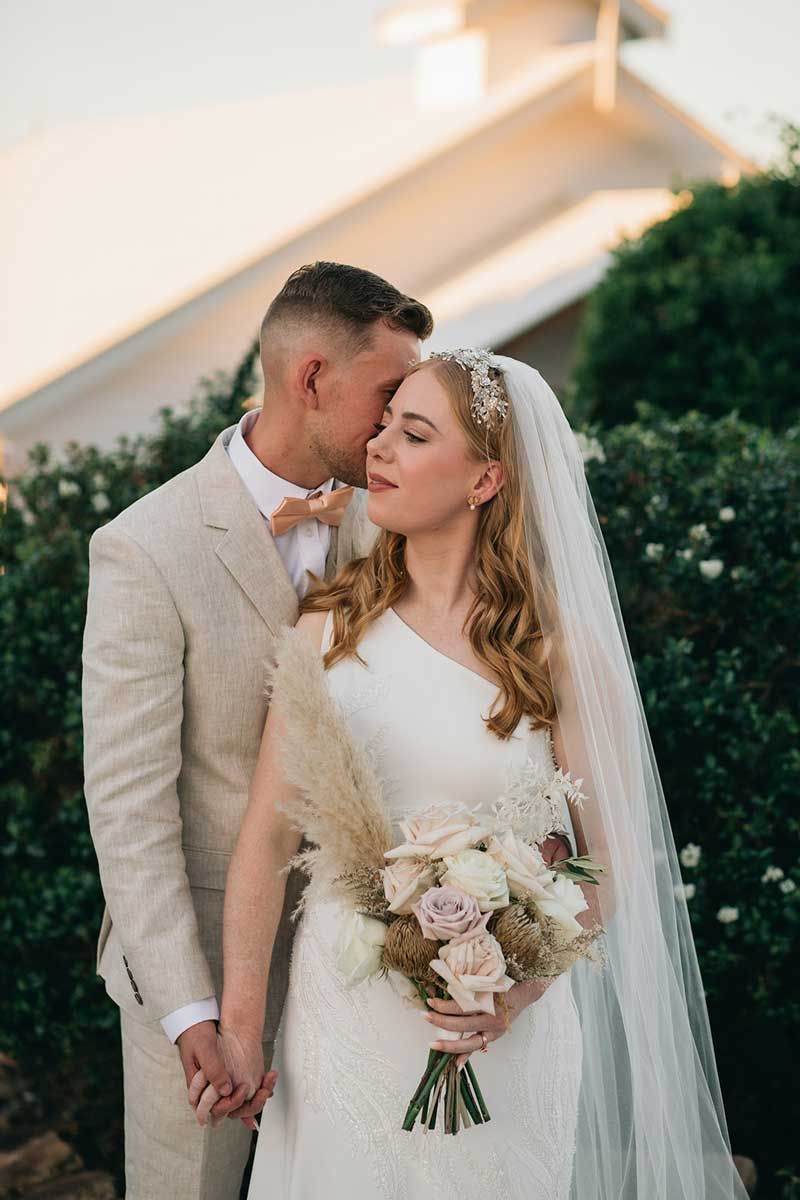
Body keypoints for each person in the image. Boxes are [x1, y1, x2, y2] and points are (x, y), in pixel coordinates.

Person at [200, 350, 749, 1199]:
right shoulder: (327, 630)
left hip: (500, 1036)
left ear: (485, 479)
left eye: (415, 434)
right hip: (342, 1022)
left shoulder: (556, 655)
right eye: (385, 424)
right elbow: (266, 840)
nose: (378, 446)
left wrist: (515, 992)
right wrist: (240, 1028)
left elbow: (610, 864)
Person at [81, 261, 433, 1199]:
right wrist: (188, 1010)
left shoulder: (401, 521)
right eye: (388, 394)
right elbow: (128, 810)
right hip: (197, 973)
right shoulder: (144, 548)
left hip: (368, 966)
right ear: (312, 379)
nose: (398, 422)